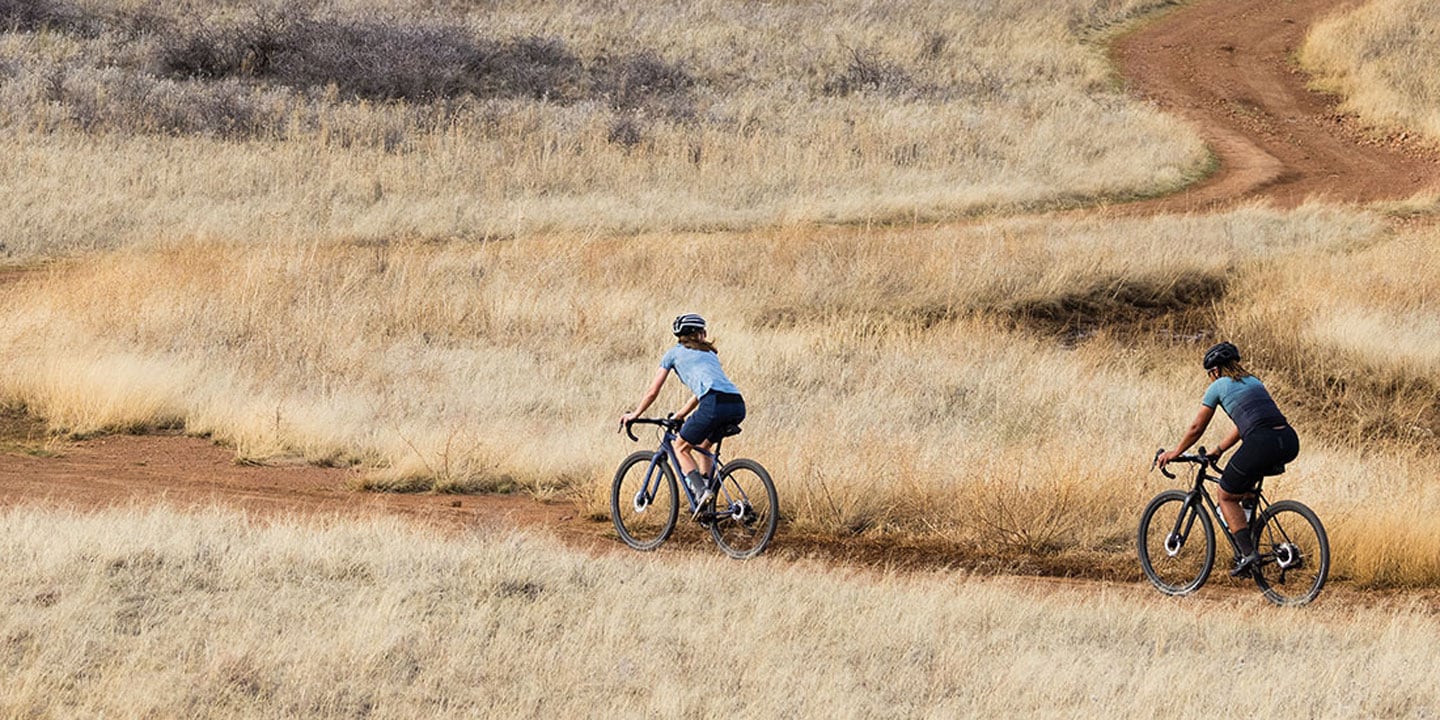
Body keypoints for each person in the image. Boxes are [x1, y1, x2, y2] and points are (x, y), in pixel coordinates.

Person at [1158, 341, 1299, 576]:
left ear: (1214, 371)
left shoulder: (1218, 386)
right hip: (1288, 440)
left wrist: (1176, 452)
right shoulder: (1254, 381)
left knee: (1225, 494)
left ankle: (1248, 555)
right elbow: (1243, 425)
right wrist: (1219, 449)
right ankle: (1253, 546)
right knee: (1244, 490)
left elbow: (1196, 427)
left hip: (1261, 442)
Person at [619, 313, 747, 517]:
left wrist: (635, 413)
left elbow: (653, 392)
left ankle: (701, 492)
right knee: (704, 445)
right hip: (737, 405)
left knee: (680, 446)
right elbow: (703, 391)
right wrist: (680, 414)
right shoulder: (710, 354)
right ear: (700, 334)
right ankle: (706, 501)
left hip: (713, 404)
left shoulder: (672, 354)